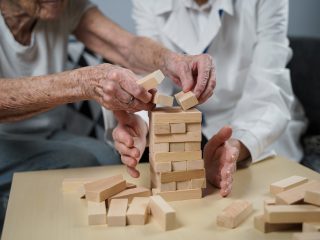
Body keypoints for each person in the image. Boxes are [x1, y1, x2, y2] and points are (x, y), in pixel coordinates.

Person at [0, 0, 215, 232]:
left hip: (47, 133)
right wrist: (86, 82)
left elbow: (127, 46)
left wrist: (172, 61)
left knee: (108, 160)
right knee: (80, 160)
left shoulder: (61, 5)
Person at [112, 0, 306, 197]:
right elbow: (154, 81)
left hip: (252, 119)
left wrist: (238, 145)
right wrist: (143, 123)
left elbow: (267, 86)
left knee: (256, 192)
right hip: (184, 124)